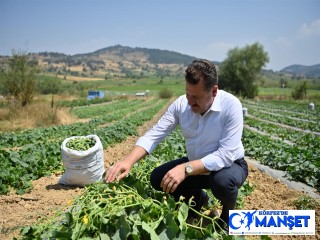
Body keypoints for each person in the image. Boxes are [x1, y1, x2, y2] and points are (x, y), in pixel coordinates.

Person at [105, 59, 248, 229]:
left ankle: (227, 220)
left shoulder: (231, 105)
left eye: (196, 97)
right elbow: (154, 134)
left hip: (229, 166)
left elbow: (225, 155)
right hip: (196, 167)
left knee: (223, 182)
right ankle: (198, 200)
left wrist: (186, 168)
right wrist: (128, 161)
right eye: (188, 93)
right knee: (158, 179)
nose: (190, 101)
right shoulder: (181, 104)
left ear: (214, 91)